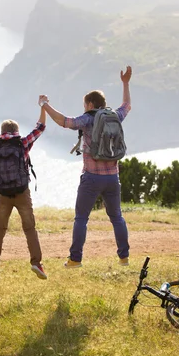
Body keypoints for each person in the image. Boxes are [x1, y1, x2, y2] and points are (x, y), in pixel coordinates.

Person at [41, 66, 132, 268]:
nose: (84, 107)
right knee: (117, 217)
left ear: (90, 103)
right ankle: (124, 257)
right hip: (112, 177)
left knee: (81, 218)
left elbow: (64, 121)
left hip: (91, 177)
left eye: (85, 104)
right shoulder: (115, 116)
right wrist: (125, 82)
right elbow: (127, 105)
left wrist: (45, 105)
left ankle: (75, 259)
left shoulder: (88, 119)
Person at [0, 99, 47, 282]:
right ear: (16, 132)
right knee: (29, 228)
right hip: (22, 192)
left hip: (3, 194)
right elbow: (40, 127)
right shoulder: (23, 143)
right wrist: (42, 107)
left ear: (2, 132)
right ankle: (36, 262)